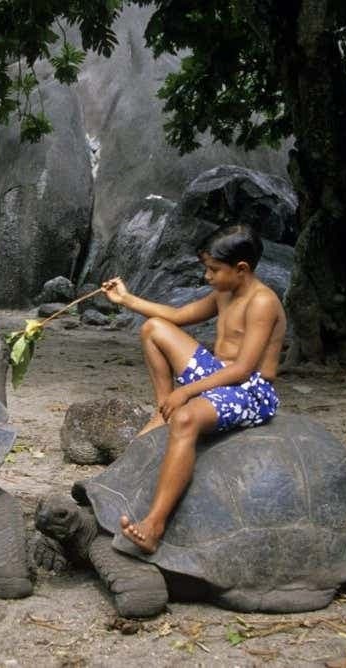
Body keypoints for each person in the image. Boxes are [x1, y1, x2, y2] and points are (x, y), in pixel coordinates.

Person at [100, 224, 286, 554]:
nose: (208, 277)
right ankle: (163, 411)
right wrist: (126, 299)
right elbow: (176, 315)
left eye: (214, 270)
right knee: (154, 329)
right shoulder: (225, 293)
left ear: (241, 269)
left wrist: (185, 392)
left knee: (186, 419)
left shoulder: (262, 302)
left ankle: (154, 525)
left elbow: (244, 369)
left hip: (250, 389)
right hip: (218, 375)